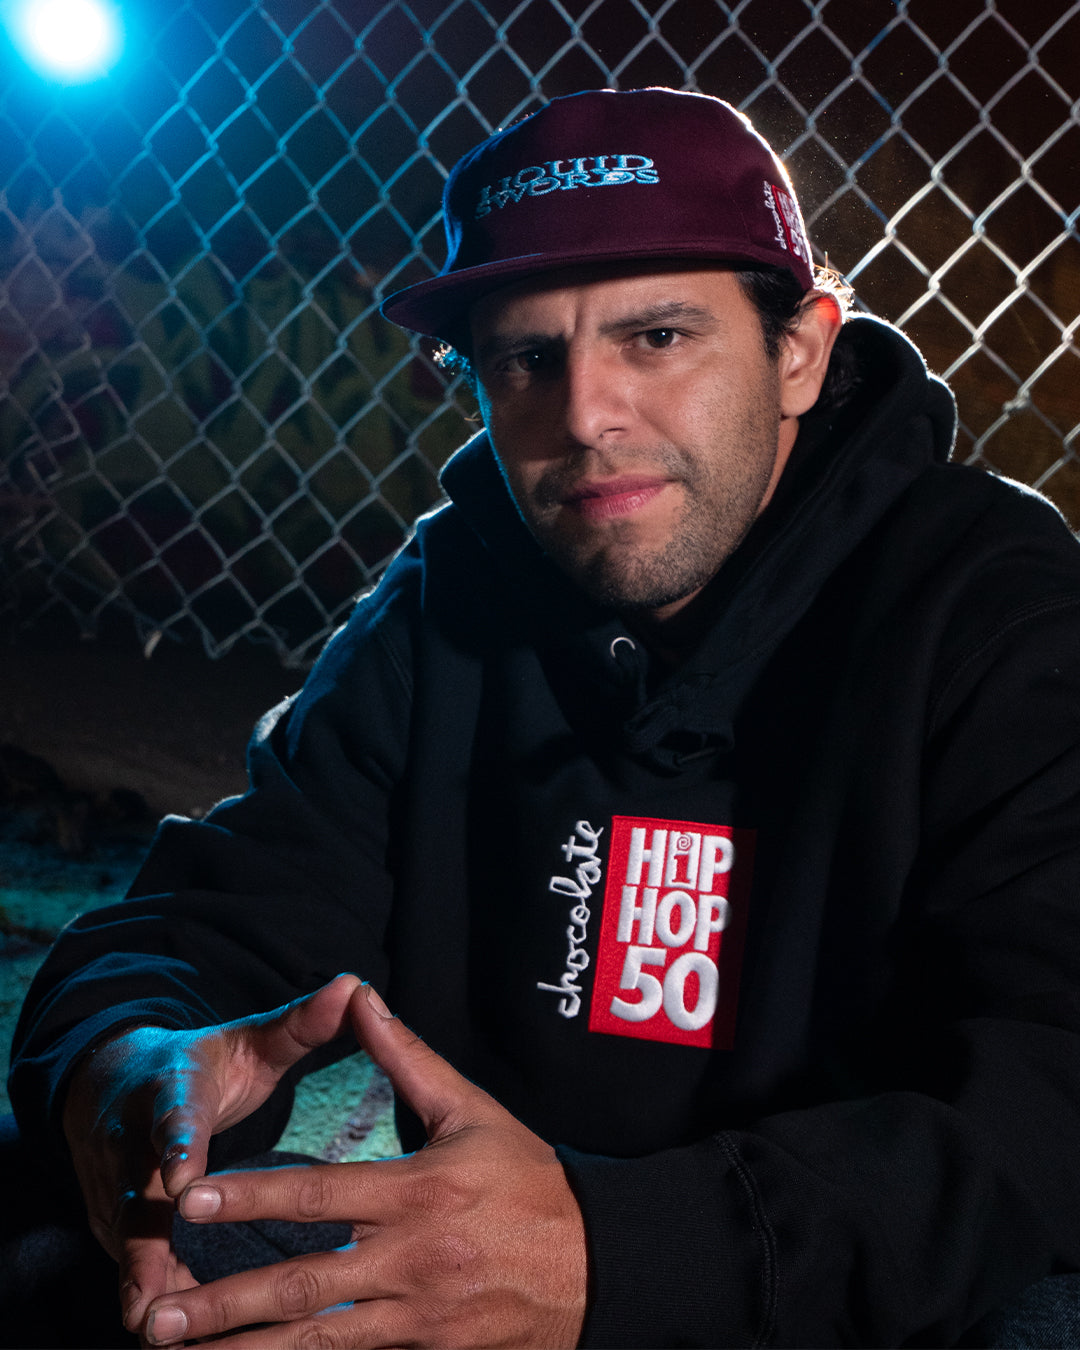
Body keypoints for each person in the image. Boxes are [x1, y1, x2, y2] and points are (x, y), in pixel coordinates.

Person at [6, 85, 1080, 1348]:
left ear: (800, 353)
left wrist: (622, 1253)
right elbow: (221, 908)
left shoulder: (995, 609)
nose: (583, 415)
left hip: (849, 1298)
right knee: (69, 1239)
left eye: (659, 337)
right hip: (485, 1284)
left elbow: (1052, 1092)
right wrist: (125, 1060)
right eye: (526, 357)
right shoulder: (456, 591)